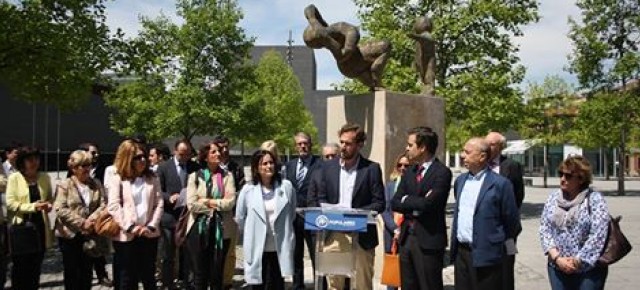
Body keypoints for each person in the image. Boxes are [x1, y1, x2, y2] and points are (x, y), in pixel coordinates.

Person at [317, 123, 385, 290]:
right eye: (341, 142)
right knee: (334, 285)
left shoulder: (371, 169)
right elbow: (321, 197)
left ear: (360, 144)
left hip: (361, 236)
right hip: (334, 236)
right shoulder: (328, 168)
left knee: (362, 285)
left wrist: (356, 214)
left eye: (348, 143)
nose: (343, 147)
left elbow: (379, 203)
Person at [450, 138, 520, 290]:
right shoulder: (460, 181)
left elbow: (512, 223)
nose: (462, 156)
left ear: (482, 157)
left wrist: (499, 246)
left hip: (487, 255)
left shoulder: (501, 184)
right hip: (462, 254)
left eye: (467, 152)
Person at [391, 126, 452, 290]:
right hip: (406, 239)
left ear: (423, 147)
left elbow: (430, 205)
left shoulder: (442, 173)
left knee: (429, 285)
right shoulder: (409, 172)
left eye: (410, 145)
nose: (407, 148)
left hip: (428, 240)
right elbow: (395, 202)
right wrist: (416, 201)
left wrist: (407, 201)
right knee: (408, 285)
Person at [539, 155, 609, 290]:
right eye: (561, 174)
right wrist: (557, 258)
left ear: (581, 179)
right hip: (557, 266)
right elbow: (544, 228)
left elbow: (598, 234)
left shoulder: (595, 199)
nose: (563, 179)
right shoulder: (553, 198)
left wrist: (577, 261)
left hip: (588, 270)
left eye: (568, 176)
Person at [107, 140, 164, 289]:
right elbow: (113, 206)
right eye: (138, 157)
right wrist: (131, 226)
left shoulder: (153, 178)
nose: (143, 160)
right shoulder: (117, 179)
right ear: (127, 159)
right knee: (127, 278)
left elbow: (159, 204)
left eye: (144, 156)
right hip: (126, 235)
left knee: (148, 276)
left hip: (148, 234)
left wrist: (151, 226)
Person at [236, 150, 296, 289]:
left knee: (277, 284)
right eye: (264, 163)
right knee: (259, 284)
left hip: (278, 246)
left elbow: (291, 213)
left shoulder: (286, 186)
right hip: (258, 246)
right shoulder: (248, 190)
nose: (269, 166)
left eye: (271, 162)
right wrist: (253, 230)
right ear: (257, 168)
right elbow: (240, 217)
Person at [184, 141, 236, 290]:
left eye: (218, 151)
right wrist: (214, 207)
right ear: (205, 156)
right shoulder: (195, 176)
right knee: (200, 273)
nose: (218, 154)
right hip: (197, 230)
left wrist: (206, 201)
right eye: (213, 152)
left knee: (217, 272)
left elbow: (230, 202)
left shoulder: (227, 176)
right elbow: (192, 204)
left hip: (222, 229)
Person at [54, 150, 108, 290]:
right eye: (82, 165)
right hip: (70, 235)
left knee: (87, 273)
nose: (86, 169)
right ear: (73, 168)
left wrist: (91, 220)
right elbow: (60, 208)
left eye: (88, 165)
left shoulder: (96, 183)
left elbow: (103, 204)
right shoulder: (64, 185)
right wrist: (81, 222)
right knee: (72, 273)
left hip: (90, 234)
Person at [5, 146, 54, 290]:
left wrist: (49, 205)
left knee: (35, 267)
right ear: (22, 162)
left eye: (37, 159)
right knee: (20, 268)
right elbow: (10, 203)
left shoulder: (44, 177)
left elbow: (50, 198)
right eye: (30, 159)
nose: (34, 162)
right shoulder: (15, 178)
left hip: (39, 227)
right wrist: (32, 207)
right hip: (21, 228)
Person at [156, 139, 199, 288]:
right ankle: (168, 283)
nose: (185, 157)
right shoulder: (163, 168)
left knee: (188, 255)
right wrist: (169, 197)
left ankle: (188, 282)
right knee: (168, 255)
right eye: (182, 154)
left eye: (188, 154)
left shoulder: (194, 167)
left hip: (188, 216)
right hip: (169, 217)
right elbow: (157, 191)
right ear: (175, 151)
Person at [486, 131, 525, 290]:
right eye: (486, 142)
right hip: (486, 228)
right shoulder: (480, 165)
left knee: (507, 265)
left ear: (501, 147)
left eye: (492, 144)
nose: (487, 147)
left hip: (507, 230)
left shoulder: (511, 166)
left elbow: (518, 195)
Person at [285, 132, 322, 290]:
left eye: (305, 143)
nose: (302, 146)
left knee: (315, 253)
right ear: (295, 146)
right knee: (296, 253)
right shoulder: (289, 166)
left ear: (311, 144)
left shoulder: (320, 164)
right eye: (299, 144)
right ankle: (297, 285)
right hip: (294, 216)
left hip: (312, 215)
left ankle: (318, 285)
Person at [211, 135, 245, 290]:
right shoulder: (207, 166)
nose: (224, 150)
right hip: (211, 213)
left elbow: (241, 188)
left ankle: (227, 281)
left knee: (230, 250)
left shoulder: (235, 167)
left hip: (231, 213)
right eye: (220, 147)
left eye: (226, 147)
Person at [77, 142, 113, 287]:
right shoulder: (73, 171)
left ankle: (102, 274)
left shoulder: (102, 169)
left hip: (97, 216)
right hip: (80, 219)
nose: (96, 155)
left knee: (99, 248)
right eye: (93, 153)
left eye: (97, 153)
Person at [381, 153, 409, 290]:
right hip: (390, 232)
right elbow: (384, 209)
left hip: (407, 232)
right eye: (400, 165)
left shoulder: (414, 185)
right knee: (392, 269)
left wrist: (402, 229)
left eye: (406, 165)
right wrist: (394, 228)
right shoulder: (390, 185)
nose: (402, 168)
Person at [306, 143, 339, 208]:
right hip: (321, 215)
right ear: (322, 158)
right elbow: (311, 199)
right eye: (327, 156)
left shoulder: (345, 173)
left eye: (333, 156)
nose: (330, 159)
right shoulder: (316, 174)